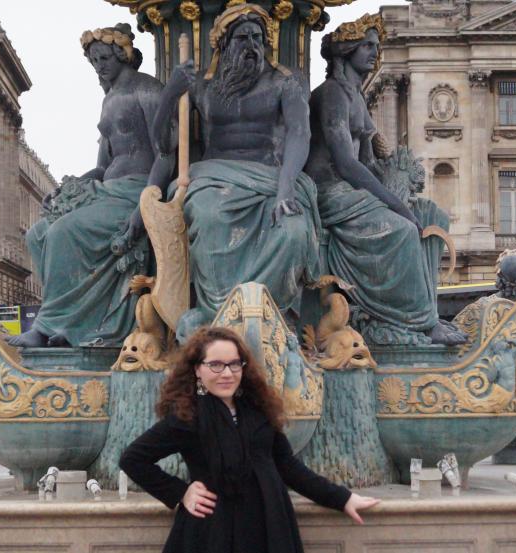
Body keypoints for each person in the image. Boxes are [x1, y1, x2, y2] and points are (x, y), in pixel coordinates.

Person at [120, 327, 378, 553]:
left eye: (235, 364)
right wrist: (180, 492)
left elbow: (287, 466)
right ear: (198, 369)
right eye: (216, 365)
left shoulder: (258, 408)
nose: (227, 373)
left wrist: (342, 498)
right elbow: (133, 459)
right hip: (214, 531)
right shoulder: (188, 416)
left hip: (268, 524)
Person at [151, 4, 321, 338]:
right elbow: (162, 144)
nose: (251, 45)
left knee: (294, 230)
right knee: (208, 215)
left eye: (258, 38)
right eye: (242, 37)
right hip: (214, 178)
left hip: (273, 175)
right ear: (223, 44)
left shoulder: (287, 83)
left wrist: (285, 189)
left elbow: (301, 134)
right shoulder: (200, 86)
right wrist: (171, 93)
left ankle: (271, 313)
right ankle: (218, 314)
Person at [306, 14, 464, 346]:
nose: (373, 53)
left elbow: (366, 162)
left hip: (349, 189)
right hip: (328, 191)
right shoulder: (331, 94)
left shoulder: (357, 98)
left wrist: (400, 188)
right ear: (344, 51)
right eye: (366, 46)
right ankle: (417, 322)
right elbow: (346, 163)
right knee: (404, 228)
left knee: (431, 214)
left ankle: (427, 309)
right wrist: (395, 205)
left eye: (375, 47)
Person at [10, 23, 169, 349]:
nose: (99, 66)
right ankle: (72, 325)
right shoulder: (109, 100)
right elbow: (102, 165)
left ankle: (47, 326)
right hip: (108, 189)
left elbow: (168, 154)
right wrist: (72, 184)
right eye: (93, 60)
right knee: (37, 234)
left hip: (136, 189)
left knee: (65, 231)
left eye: (104, 58)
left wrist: (147, 202)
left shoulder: (148, 90)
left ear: (122, 55)